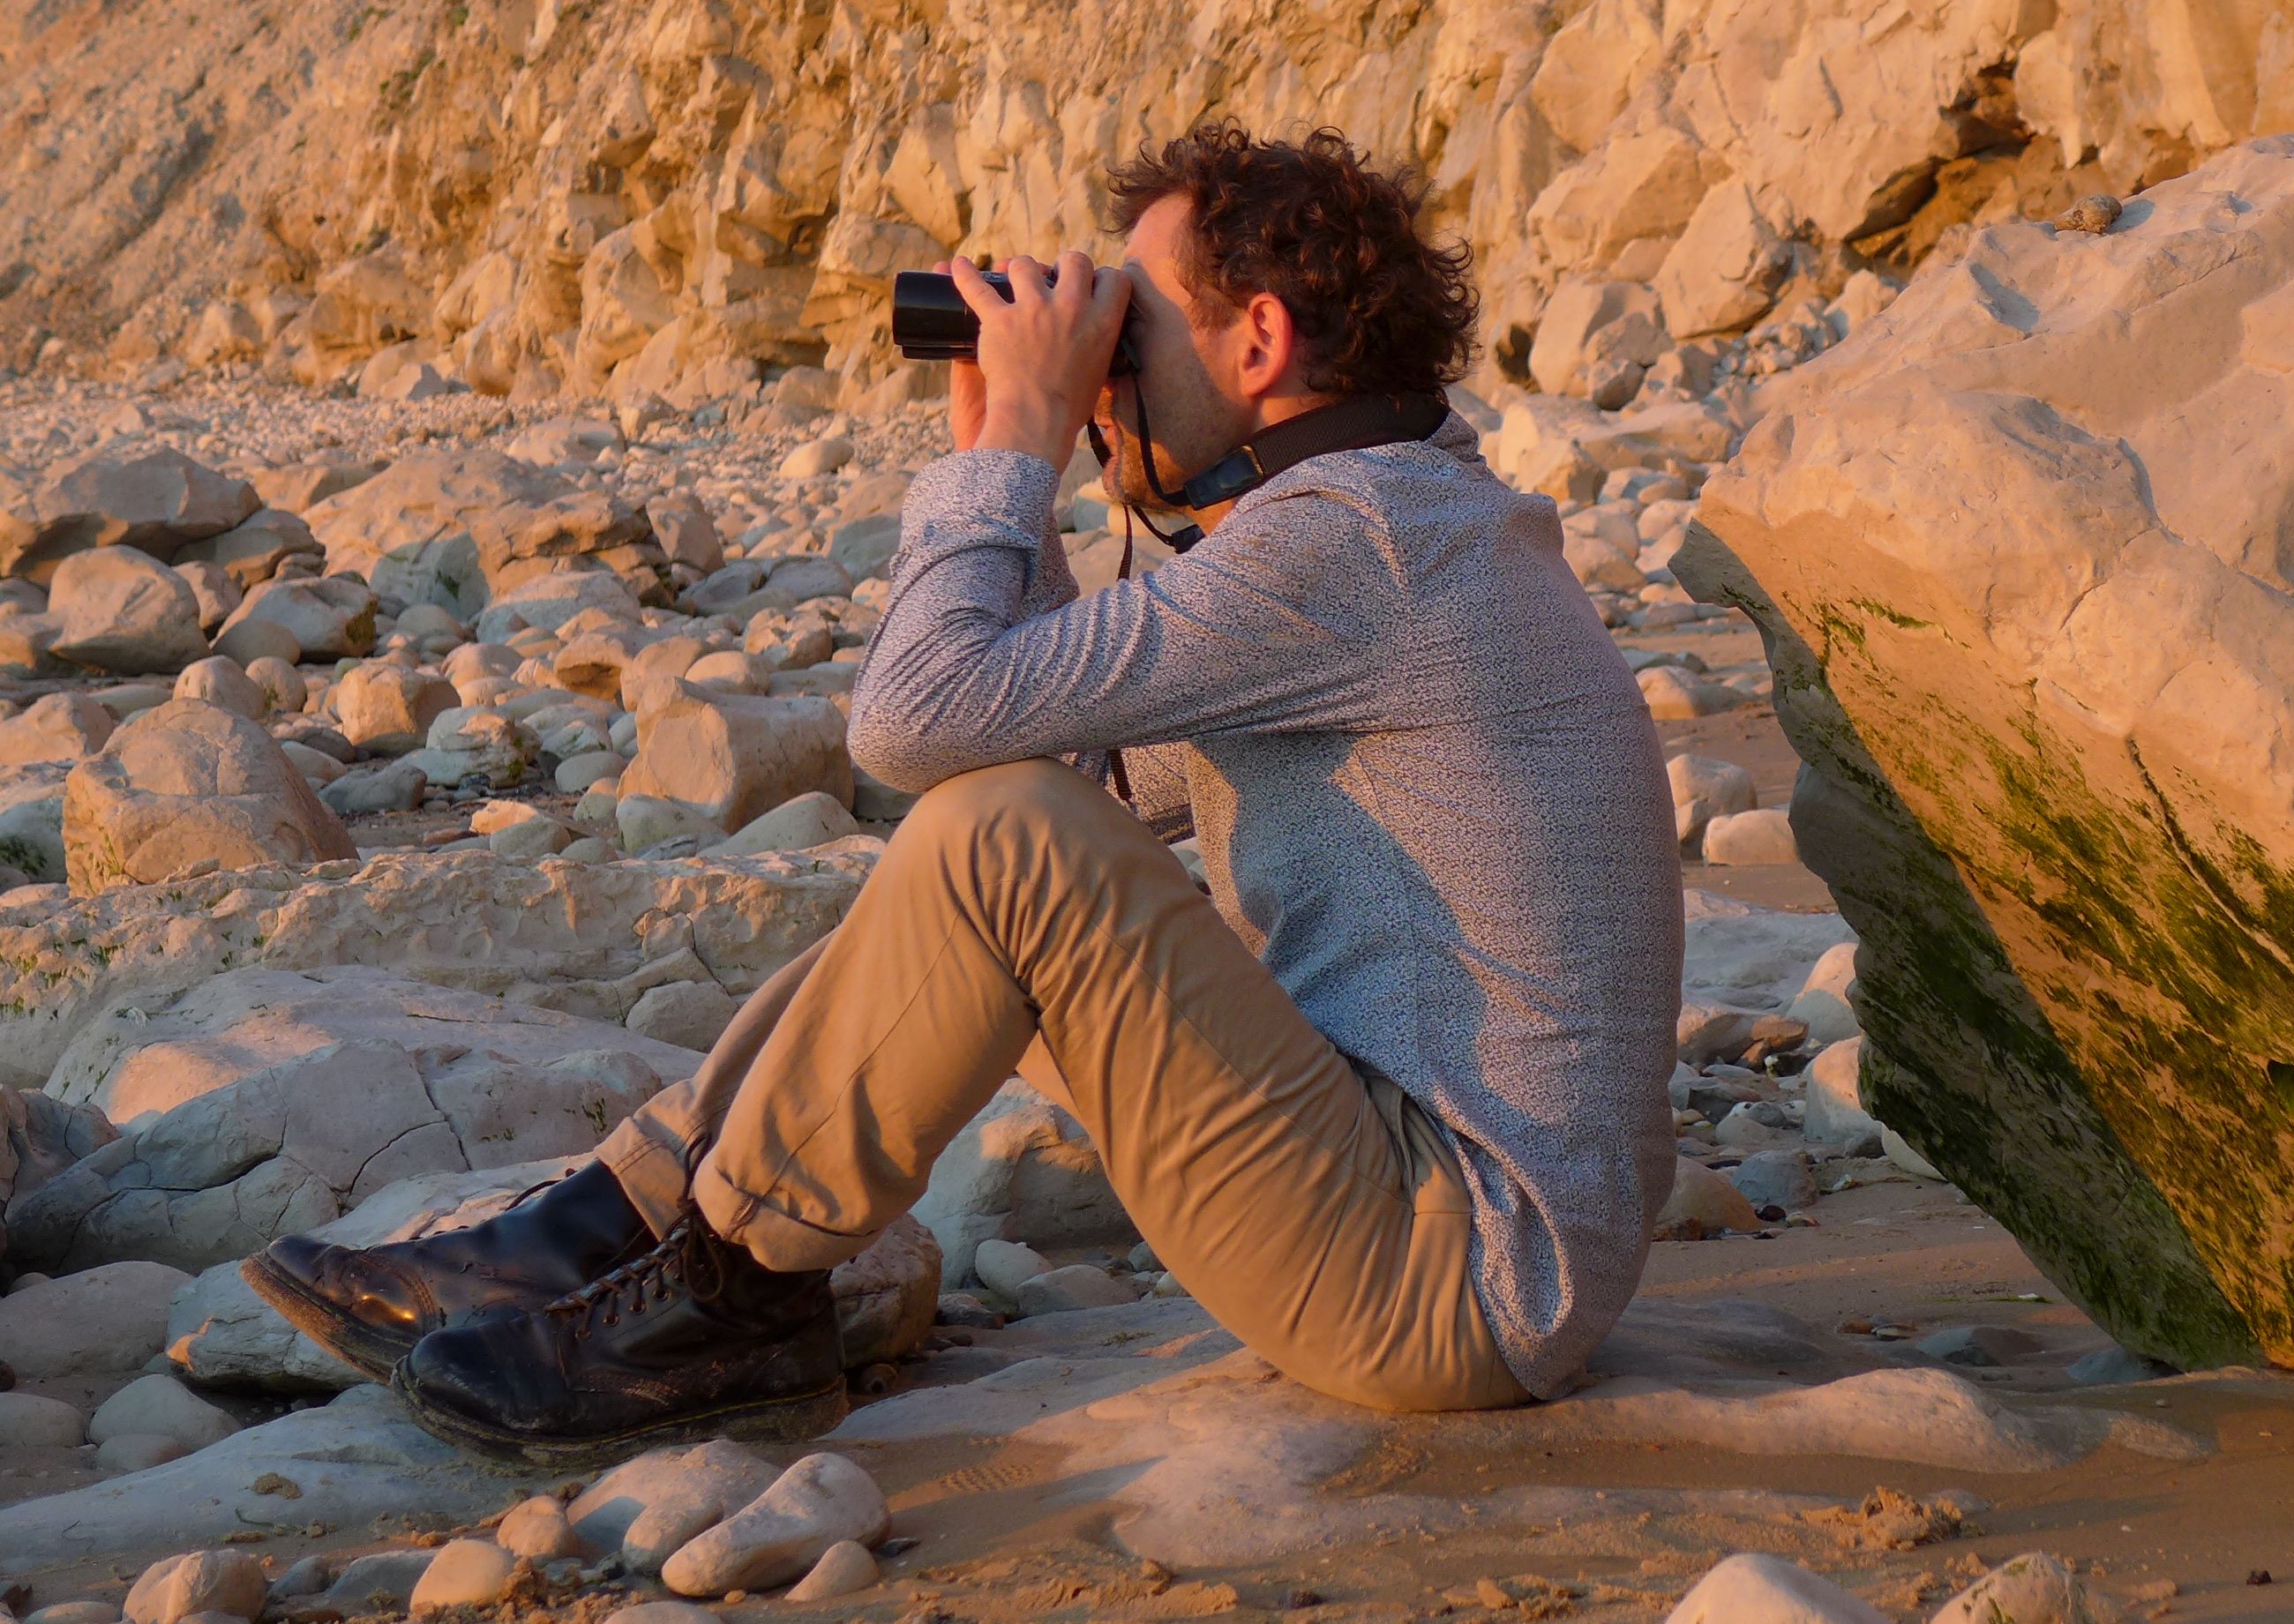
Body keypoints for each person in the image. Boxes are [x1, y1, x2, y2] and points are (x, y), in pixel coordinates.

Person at [244, 124, 1684, 1463]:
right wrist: (1014, 451)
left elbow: (921, 732)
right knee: (1007, 845)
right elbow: (1077, 774)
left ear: (1261, 338)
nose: (1102, 362)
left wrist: (1009, 462)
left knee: (1002, 840)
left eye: (1132, 320)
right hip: (1430, 1227)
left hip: (1451, 1275)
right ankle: (605, 1234)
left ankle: (731, 1309)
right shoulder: (1401, 521)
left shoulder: (1356, 539)